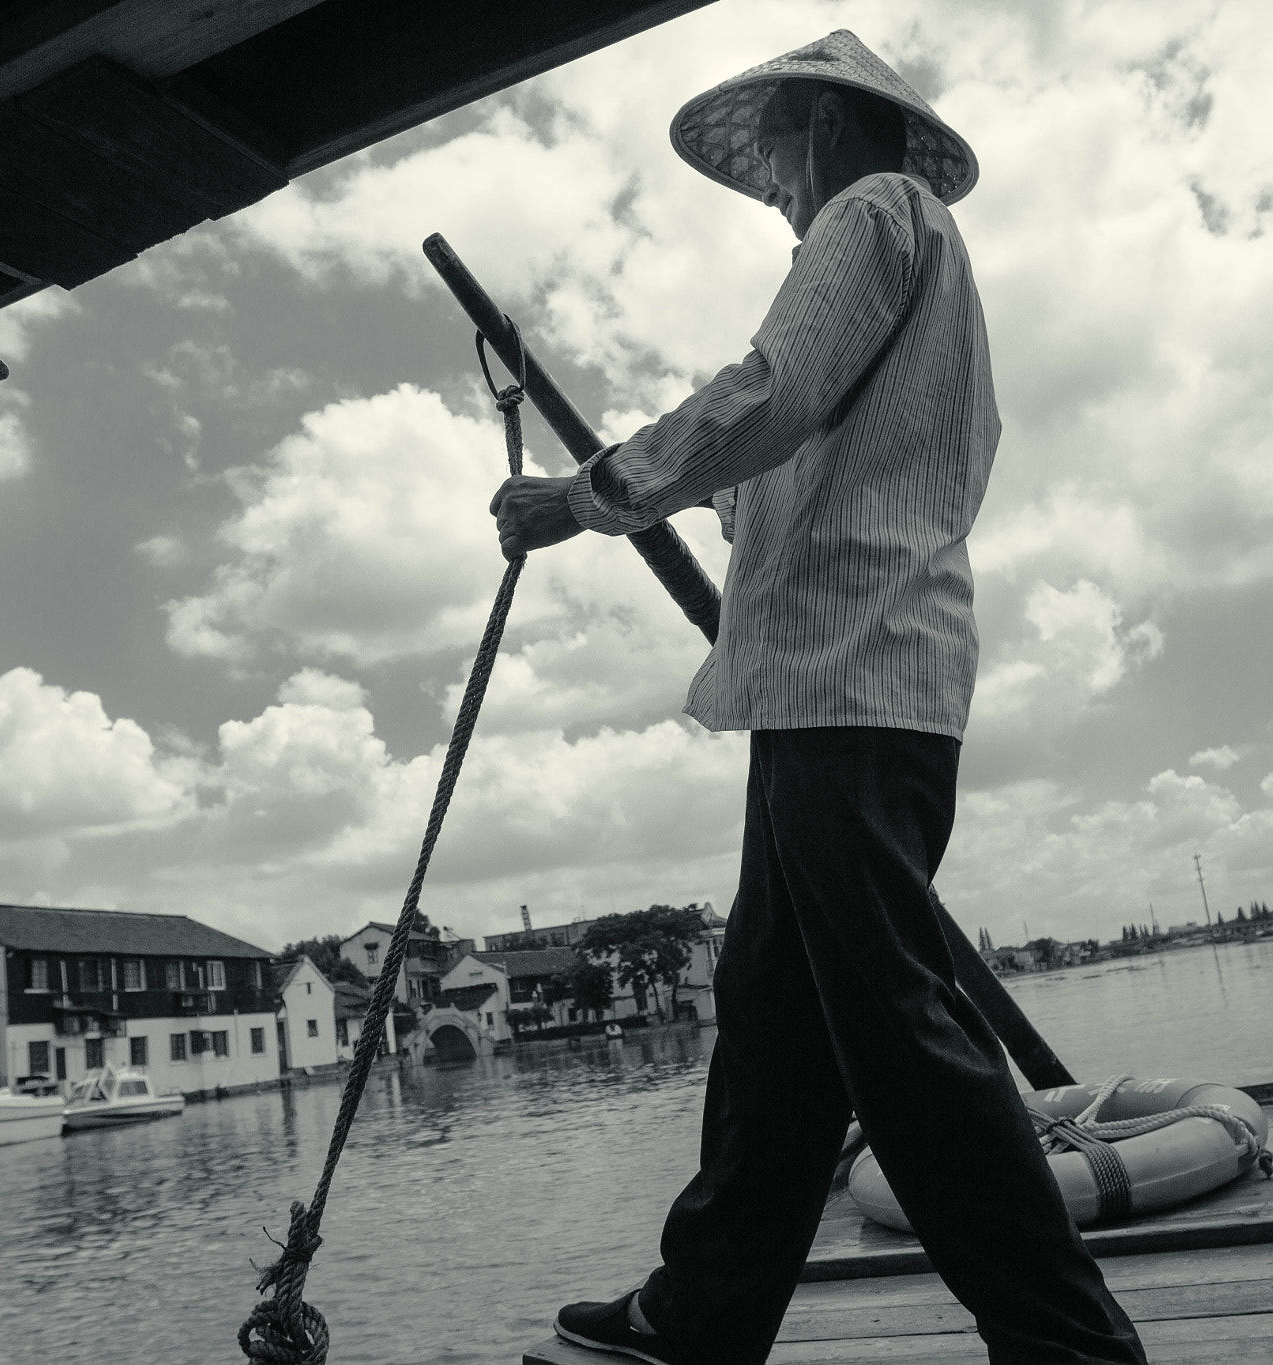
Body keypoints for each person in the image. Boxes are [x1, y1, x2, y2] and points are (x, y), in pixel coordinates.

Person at [490, 30, 1147, 1365]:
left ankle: (1070, 1345)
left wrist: (583, 497)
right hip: (831, 685)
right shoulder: (921, 273)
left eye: (777, 158)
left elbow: (768, 396)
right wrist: (700, 490)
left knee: (894, 1031)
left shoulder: (875, 211)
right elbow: (783, 459)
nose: (776, 194)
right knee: (777, 1017)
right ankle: (704, 1309)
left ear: (824, 129)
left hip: (854, 678)